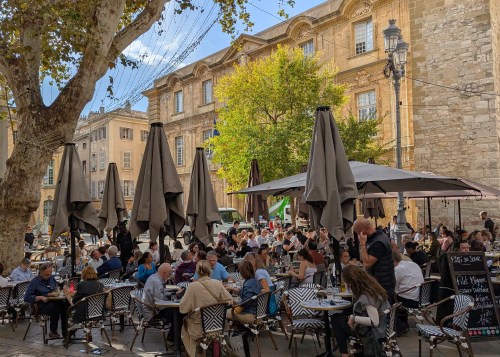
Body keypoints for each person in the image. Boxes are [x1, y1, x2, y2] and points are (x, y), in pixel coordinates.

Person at [332, 265, 390, 357]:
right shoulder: (374, 288)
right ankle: (345, 353)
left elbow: (374, 322)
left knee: (336, 319)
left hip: (372, 333)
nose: (347, 286)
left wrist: (354, 318)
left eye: (347, 283)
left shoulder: (366, 296)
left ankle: (344, 354)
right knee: (341, 317)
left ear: (352, 282)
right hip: (382, 328)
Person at [179, 260, 233, 357]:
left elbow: (183, 309)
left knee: (184, 328)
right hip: (217, 325)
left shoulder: (192, 287)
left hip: (199, 327)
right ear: (210, 271)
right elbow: (229, 300)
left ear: (197, 272)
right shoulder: (218, 283)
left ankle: (195, 353)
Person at [353, 218, 395, 300]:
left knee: (382, 310)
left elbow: (367, 264)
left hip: (382, 285)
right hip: (382, 282)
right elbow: (363, 258)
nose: (358, 235)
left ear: (362, 231)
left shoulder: (378, 243)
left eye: (357, 232)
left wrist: (362, 243)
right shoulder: (379, 236)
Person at [25, 263, 68, 339]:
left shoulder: (51, 278)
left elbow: (55, 288)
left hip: (53, 301)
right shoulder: (34, 282)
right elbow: (27, 297)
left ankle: (66, 331)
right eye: (46, 275)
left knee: (65, 305)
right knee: (55, 307)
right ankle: (53, 331)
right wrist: (40, 297)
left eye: (50, 274)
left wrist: (57, 292)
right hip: (40, 305)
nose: (48, 276)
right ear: (41, 272)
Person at [393, 251, 424, 335]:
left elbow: (394, 288)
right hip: (422, 299)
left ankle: (398, 325)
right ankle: (402, 323)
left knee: (389, 298)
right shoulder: (413, 264)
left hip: (409, 300)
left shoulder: (398, 268)